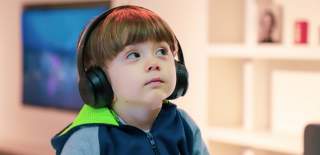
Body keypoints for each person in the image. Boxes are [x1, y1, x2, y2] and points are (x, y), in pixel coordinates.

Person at [51, 5, 209, 155]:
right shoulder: (86, 141)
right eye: (134, 55)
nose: (154, 63)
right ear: (99, 78)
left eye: (161, 51)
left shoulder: (184, 125)